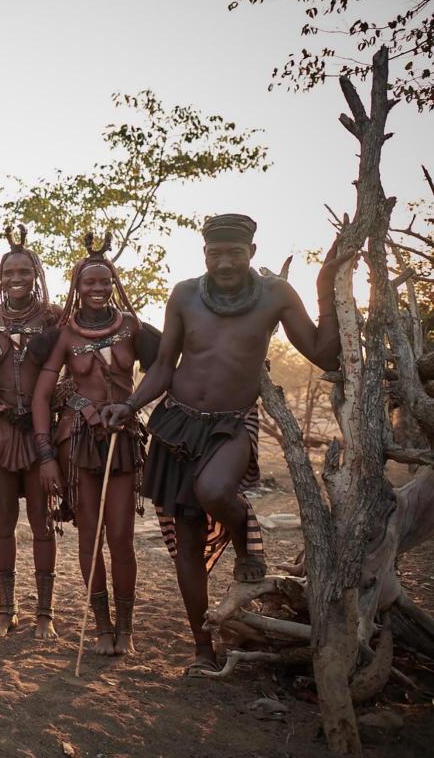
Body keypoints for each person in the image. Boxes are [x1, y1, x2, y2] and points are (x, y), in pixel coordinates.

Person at [102, 213, 346, 673]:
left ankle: (247, 543)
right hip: (177, 422)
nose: (225, 262)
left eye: (234, 252)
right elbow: (163, 366)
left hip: (232, 424)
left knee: (214, 491)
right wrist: (130, 405)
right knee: (188, 541)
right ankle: (202, 647)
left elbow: (323, 351)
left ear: (252, 253)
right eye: (215, 253)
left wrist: (325, 288)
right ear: (204, 255)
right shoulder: (185, 294)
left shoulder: (275, 294)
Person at [32, 233, 158, 657]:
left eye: (105, 281)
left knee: (121, 536)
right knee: (90, 537)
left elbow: (162, 374)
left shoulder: (133, 328)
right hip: (77, 443)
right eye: (89, 282)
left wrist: (133, 407)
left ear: (114, 283)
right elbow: (40, 396)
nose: (98, 288)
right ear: (77, 287)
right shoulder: (66, 336)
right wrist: (46, 454)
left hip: (122, 440)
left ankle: (126, 628)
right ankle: (101, 626)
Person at [0, 225, 63, 637]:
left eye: (24, 272)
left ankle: (45, 615)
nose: (16, 279)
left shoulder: (53, 316)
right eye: (9, 273)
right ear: (0, 277)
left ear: (36, 275)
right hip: (2, 431)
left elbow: (71, 369)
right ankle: (5, 610)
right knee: (4, 521)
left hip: (40, 430)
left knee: (42, 521)